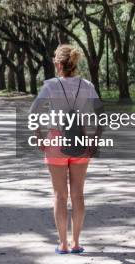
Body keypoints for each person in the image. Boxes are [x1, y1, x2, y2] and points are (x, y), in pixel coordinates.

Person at [29, 44, 101, 255]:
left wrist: (40, 137)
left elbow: (34, 113)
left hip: (56, 142)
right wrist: (94, 141)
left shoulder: (50, 86)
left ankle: (62, 245)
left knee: (60, 196)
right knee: (78, 195)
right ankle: (76, 243)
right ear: (74, 64)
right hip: (81, 141)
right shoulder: (87, 85)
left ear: (59, 65)